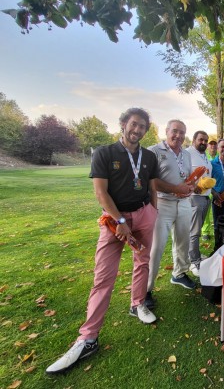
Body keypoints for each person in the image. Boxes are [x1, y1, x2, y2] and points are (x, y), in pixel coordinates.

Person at [46, 108, 159, 374]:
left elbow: (151, 186)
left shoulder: (149, 156)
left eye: (142, 126)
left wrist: (153, 212)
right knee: (103, 277)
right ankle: (88, 337)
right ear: (123, 124)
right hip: (114, 219)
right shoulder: (104, 153)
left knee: (143, 261)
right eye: (134, 124)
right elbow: (100, 192)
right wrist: (120, 222)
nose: (137, 130)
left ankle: (137, 303)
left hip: (144, 215)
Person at [145, 120, 196, 311]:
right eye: (175, 131)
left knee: (183, 241)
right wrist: (175, 188)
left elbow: (188, 176)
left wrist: (191, 186)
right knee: (156, 247)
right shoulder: (154, 151)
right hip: (162, 203)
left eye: (182, 133)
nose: (179, 136)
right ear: (166, 131)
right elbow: (151, 181)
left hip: (184, 204)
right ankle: (147, 289)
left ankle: (179, 273)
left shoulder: (186, 153)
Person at [185, 131, 213, 277]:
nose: (203, 142)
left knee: (198, 228)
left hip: (205, 197)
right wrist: (192, 185)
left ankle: (195, 254)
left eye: (205, 140)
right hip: (195, 197)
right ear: (194, 140)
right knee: (194, 231)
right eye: (200, 139)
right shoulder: (187, 153)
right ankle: (193, 261)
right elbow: (183, 174)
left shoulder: (204, 155)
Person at [200, 137, 218, 241]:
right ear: (208, 146)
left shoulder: (219, 157)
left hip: (217, 187)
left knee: (217, 211)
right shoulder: (203, 156)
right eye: (211, 144)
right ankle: (205, 231)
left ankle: (218, 229)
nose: (213, 146)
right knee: (205, 211)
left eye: (214, 144)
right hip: (206, 188)